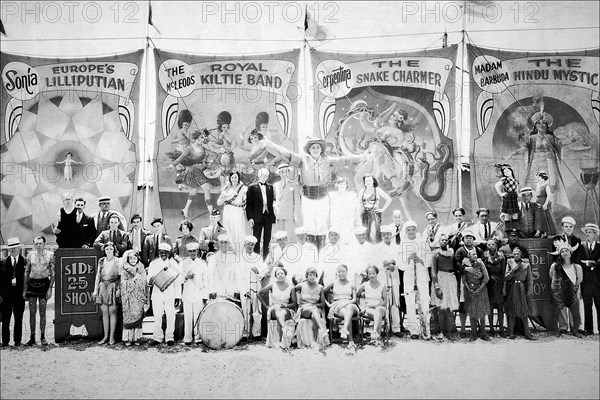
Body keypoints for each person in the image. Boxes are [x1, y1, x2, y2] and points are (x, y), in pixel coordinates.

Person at [263, 136, 369, 251]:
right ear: (309, 150)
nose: (315, 149)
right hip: (307, 198)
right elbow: (286, 153)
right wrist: (269, 144)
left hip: (323, 198)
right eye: (313, 147)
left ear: (321, 149)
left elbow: (346, 159)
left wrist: (363, 157)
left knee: (322, 226)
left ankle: (322, 251)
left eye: (317, 147)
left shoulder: (328, 161)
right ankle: (310, 253)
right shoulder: (302, 160)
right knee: (309, 226)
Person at [167, 129, 220, 218]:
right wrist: (172, 165)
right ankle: (211, 211)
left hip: (201, 170)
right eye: (201, 137)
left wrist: (214, 155)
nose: (203, 139)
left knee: (194, 191)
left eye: (204, 137)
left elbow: (215, 155)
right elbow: (180, 158)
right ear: (196, 138)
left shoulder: (203, 148)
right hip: (194, 170)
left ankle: (185, 209)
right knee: (206, 188)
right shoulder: (189, 148)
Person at [398, 221, 431, 339]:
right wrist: (408, 259)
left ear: (416, 230)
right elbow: (400, 265)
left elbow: (429, 260)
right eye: (408, 230)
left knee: (425, 302)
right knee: (410, 303)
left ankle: (426, 329)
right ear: (405, 232)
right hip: (409, 277)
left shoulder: (423, 243)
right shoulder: (402, 244)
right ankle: (414, 331)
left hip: (422, 275)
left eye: (413, 229)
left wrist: (421, 260)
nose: (411, 232)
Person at [147, 243, 182, 346]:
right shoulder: (153, 264)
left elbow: (177, 281)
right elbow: (148, 279)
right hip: (157, 293)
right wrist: (150, 281)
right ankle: (157, 337)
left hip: (170, 293)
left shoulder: (173, 264)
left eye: (165, 253)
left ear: (169, 253)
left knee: (170, 315)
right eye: (161, 252)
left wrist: (177, 296)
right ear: (158, 252)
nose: (163, 254)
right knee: (157, 315)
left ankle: (169, 337)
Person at [23, 235, 55, 346]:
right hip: (32, 284)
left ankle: (42, 337)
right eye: (36, 243)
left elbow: (53, 273)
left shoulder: (50, 255)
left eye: (40, 243)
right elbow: (26, 272)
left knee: (43, 312)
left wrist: (50, 288)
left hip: (44, 284)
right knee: (32, 312)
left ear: (44, 244)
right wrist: (24, 289)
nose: (38, 245)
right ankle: (32, 337)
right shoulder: (30, 255)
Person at [552, 216, 582, 334]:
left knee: (574, 297)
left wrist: (572, 265)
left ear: (573, 227)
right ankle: (563, 327)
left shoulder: (577, 240)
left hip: (572, 270)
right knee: (561, 298)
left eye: (570, 227)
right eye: (566, 226)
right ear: (562, 227)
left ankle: (576, 326)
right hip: (560, 270)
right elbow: (554, 256)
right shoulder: (556, 239)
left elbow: (579, 256)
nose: (568, 229)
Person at [258, 264, 297, 349]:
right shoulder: (272, 285)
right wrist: (266, 305)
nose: (280, 275)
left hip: (285, 308)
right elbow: (259, 293)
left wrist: (285, 305)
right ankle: (285, 329)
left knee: (281, 311)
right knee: (277, 309)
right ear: (275, 276)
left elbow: (294, 303)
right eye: (278, 274)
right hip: (274, 308)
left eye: (282, 273)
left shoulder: (291, 287)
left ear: (285, 275)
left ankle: (283, 333)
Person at [454, 229, 483, 338]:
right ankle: (462, 328)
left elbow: (482, 262)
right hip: (463, 280)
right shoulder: (460, 251)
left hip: (476, 281)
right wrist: (466, 268)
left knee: (475, 303)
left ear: (473, 239)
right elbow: (456, 264)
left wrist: (477, 271)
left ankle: (474, 329)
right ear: (463, 239)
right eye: (466, 237)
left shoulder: (478, 250)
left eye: (471, 237)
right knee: (463, 304)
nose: (469, 239)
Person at [324, 264, 360, 352]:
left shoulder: (351, 284)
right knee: (347, 314)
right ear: (337, 273)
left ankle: (345, 329)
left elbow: (354, 299)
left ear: (347, 272)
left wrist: (345, 303)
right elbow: (321, 291)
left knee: (350, 308)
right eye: (339, 271)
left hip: (349, 303)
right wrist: (328, 304)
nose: (341, 273)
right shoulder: (334, 283)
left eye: (343, 271)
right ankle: (350, 342)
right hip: (338, 306)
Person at [430, 234, 459, 341]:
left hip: (451, 279)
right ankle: (441, 332)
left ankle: (449, 332)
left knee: (449, 308)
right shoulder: (435, 255)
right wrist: (436, 286)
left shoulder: (451, 253)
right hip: (440, 279)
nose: (444, 241)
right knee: (441, 308)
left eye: (446, 240)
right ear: (439, 241)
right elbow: (433, 271)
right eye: (442, 240)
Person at [375, 225, 402, 336]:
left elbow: (400, 260)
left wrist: (392, 262)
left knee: (395, 302)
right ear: (381, 235)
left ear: (391, 235)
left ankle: (396, 328)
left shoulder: (397, 247)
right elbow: (375, 262)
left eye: (388, 234)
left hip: (394, 276)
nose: (386, 236)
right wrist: (384, 262)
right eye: (384, 234)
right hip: (383, 277)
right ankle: (385, 327)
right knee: (385, 302)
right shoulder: (377, 247)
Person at [505, 247, 537, 340]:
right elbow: (506, 278)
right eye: (514, 254)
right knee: (512, 311)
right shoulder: (510, 263)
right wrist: (512, 270)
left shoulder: (526, 264)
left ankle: (527, 333)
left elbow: (530, 279)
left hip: (522, 288)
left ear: (521, 254)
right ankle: (511, 333)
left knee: (524, 311)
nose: (516, 255)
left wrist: (530, 290)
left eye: (517, 254)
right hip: (513, 288)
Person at [92, 242, 121, 345]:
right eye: (107, 249)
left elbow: (121, 276)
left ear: (114, 250)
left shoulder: (118, 261)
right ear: (104, 250)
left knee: (112, 311)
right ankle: (105, 336)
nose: (109, 251)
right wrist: (95, 290)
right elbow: (98, 276)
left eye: (111, 249)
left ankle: (112, 337)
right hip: (103, 286)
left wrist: (119, 290)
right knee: (104, 312)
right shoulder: (101, 261)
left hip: (113, 286)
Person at [180, 242, 208, 345]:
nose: (192, 253)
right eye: (190, 251)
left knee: (198, 315)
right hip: (187, 293)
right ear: (187, 252)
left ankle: (198, 337)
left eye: (194, 251)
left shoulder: (202, 263)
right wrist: (186, 277)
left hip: (198, 293)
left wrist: (205, 295)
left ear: (197, 251)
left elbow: (206, 280)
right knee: (188, 316)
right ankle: (187, 337)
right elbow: (179, 279)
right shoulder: (183, 263)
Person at [294, 266, 329, 349]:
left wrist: (313, 305)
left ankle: (314, 342)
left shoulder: (320, 287)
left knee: (314, 314)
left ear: (316, 276)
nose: (312, 276)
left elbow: (322, 304)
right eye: (310, 274)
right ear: (307, 275)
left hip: (315, 309)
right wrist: (295, 304)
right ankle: (322, 330)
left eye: (314, 275)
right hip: (304, 309)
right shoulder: (301, 286)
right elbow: (291, 292)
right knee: (314, 310)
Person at [246, 167, 276, 259]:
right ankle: (256, 258)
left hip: (268, 216)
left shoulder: (270, 187)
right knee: (256, 239)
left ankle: (265, 260)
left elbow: (272, 203)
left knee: (267, 239)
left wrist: (273, 216)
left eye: (266, 175)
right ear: (259, 175)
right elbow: (249, 204)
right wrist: (250, 218)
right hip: (257, 217)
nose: (264, 177)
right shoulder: (252, 187)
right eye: (263, 175)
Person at [238, 235, 264, 339]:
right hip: (244, 286)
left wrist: (258, 271)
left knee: (257, 310)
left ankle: (256, 332)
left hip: (256, 285)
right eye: (248, 244)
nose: (250, 246)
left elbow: (263, 272)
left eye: (252, 244)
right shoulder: (239, 258)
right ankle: (245, 332)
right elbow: (238, 275)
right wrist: (244, 289)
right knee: (245, 309)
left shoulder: (258, 257)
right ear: (244, 244)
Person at [119, 250, 147, 347]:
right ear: (128, 259)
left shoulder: (141, 269)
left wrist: (139, 280)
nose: (133, 260)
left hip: (138, 297)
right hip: (128, 298)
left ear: (137, 259)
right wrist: (133, 280)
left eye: (134, 258)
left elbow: (144, 282)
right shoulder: (124, 270)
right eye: (131, 258)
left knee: (138, 316)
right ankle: (128, 338)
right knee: (128, 317)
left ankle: (137, 338)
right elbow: (123, 283)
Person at [1, 238, 26, 347]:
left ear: (19, 248)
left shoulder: (24, 261)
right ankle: (5, 342)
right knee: (6, 319)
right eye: (11, 248)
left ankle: (17, 341)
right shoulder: (3, 262)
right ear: (9, 249)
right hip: (6, 295)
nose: (13, 250)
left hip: (19, 294)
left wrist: (25, 292)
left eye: (15, 247)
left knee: (18, 318)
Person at [217, 170, 248, 253]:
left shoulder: (243, 188)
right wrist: (225, 196)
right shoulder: (226, 188)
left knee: (238, 230)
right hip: (228, 210)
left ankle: (238, 249)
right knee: (228, 228)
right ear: (230, 178)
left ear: (238, 178)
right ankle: (228, 249)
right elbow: (219, 202)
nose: (234, 179)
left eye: (236, 177)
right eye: (232, 177)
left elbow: (246, 202)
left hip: (237, 211)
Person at [357, 265, 388, 346]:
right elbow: (356, 294)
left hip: (380, 308)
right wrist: (360, 307)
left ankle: (374, 333)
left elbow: (385, 301)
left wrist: (377, 306)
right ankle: (377, 337)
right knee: (377, 313)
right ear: (367, 274)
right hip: (369, 309)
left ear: (377, 274)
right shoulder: (364, 285)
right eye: (369, 273)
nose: (371, 275)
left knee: (378, 310)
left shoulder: (382, 285)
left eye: (373, 273)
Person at [461, 257, 491, 341]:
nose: (474, 255)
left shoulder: (480, 263)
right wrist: (469, 289)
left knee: (481, 312)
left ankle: (483, 333)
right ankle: (473, 333)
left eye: (475, 253)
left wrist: (479, 289)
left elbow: (486, 277)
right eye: (471, 254)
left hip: (481, 290)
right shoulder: (465, 265)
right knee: (472, 312)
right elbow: (464, 279)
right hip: (469, 291)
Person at [358, 174, 392, 244]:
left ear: (373, 181)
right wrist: (360, 212)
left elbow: (389, 199)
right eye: (366, 181)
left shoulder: (377, 190)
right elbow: (358, 203)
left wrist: (382, 209)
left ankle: (377, 246)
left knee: (376, 231)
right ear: (364, 182)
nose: (368, 182)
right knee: (366, 232)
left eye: (369, 180)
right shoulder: (362, 191)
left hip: (375, 213)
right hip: (365, 214)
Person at [483, 238, 507, 337]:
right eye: (489, 244)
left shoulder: (502, 256)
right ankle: (491, 329)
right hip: (489, 283)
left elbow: (504, 271)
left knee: (500, 307)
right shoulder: (485, 256)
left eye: (493, 244)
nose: (491, 246)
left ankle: (501, 329)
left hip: (499, 282)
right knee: (490, 307)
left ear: (496, 245)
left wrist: (504, 285)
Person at [579, 223, 600, 335]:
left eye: (590, 232)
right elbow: (579, 262)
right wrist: (592, 264)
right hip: (586, 281)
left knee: (599, 304)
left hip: (597, 281)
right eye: (586, 232)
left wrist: (588, 263)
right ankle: (589, 329)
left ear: (595, 234)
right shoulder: (582, 247)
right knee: (587, 305)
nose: (587, 234)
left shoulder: (599, 247)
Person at [273, 164, 302, 242]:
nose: (284, 174)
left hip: (290, 214)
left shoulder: (294, 184)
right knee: (281, 237)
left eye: (286, 172)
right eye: (282, 172)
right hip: (279, 215)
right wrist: (275, 209)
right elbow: (275, 199)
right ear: (279, 173)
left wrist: (296, 215)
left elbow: (297, 201)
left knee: (290, 237)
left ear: (288, 172)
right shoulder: (276, 185)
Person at [329, 176, 360, 246]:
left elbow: (356, 209)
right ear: (337, 185)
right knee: (337, 241)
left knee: (347, 240)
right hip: (336, 221)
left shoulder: (352, 196)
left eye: (344, 184)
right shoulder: (332, 196)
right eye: (340, 184)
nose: (342, 186)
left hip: (347, 222)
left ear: (346, 185)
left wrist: (357, 221)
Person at [494, 164, 519, 228]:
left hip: (514, 197)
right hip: (508, 197)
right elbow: (496, 186)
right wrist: (501, 194)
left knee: (515, 213)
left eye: (507, 171)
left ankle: (515, 229)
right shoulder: (505, 179)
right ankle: (507, 229)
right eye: (504, 172)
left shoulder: (515, 180)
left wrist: (517, 194)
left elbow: (516, 189)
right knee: (507, 214)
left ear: (511, 171)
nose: (506, 173)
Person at [534, 171, 557, 237]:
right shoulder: (538, 185)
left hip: (544, 202)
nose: (537, 179)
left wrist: (545, 204)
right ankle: (538, 231)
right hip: (538, 203)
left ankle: (545, 232)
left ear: (542, 178)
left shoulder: (546, 186)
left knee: (545, 218)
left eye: (538, 177)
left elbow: (549, 196)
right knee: (538, 218)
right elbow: (537, 194)